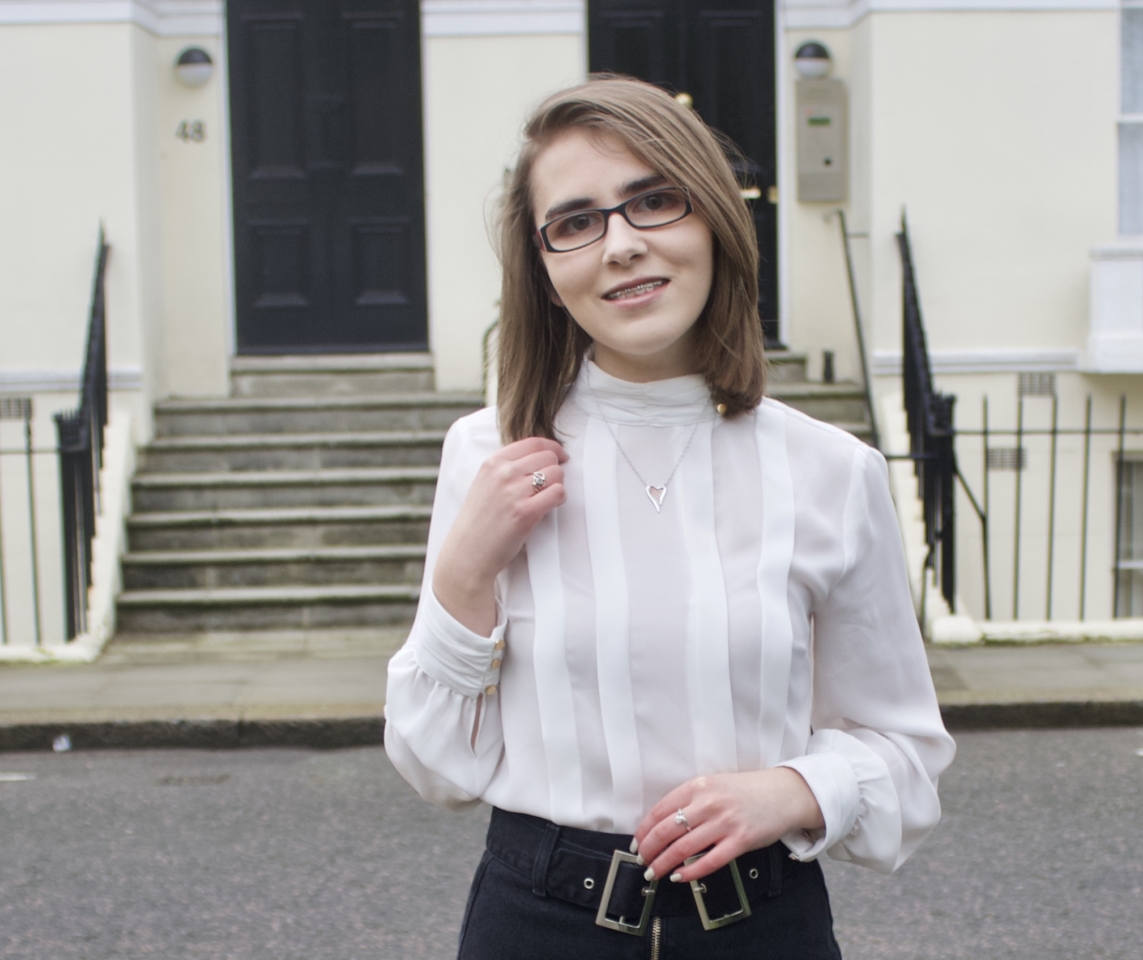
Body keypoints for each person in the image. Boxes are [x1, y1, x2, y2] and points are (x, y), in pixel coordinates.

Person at [384, 75, 953, 959]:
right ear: (543, 266)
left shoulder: (832, 471)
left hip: (762, 927)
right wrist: (463, 576)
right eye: (575, 221)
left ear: (714, 220)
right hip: (536, 926)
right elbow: (436, 769)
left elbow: (907, 754)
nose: (620, 245)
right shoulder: (487, 456)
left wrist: (792, 790)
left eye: (654, 201)